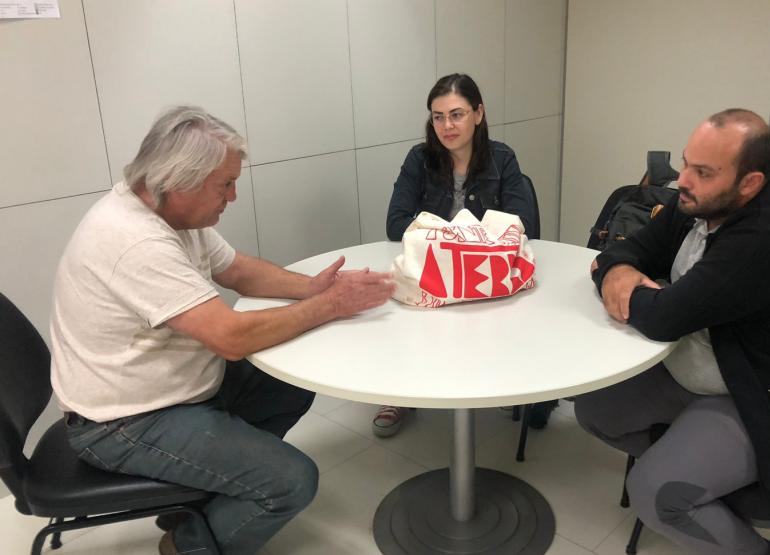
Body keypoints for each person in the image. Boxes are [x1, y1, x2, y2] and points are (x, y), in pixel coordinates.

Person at [49, 106, 395, 555]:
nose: (232, 196)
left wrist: (313, 287)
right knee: (292, 482)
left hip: (176, 387)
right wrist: (329, 306)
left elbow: (238, 271)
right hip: (123, 421)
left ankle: (197, 497)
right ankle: (187, 544)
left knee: (291, 383)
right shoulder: (135, 241)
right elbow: (231, 338)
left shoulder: (168, 211)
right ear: (179, 181)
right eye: (225, 184)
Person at [575, 109, 770, 555]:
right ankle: (698, 471)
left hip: (766, 399)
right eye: (686, 163)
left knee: (656, 493)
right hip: (708, 370)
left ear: (750, 183)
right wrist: (618, 272)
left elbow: (664, 316)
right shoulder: (698, 202)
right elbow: (626, 250)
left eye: (702, 172)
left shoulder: (764, 237)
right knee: (593, 409)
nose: (683, 179)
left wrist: (620, 277)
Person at [375, 73, 555, 437]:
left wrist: (445, 236)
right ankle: (401, 391)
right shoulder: (419, 159)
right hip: (435, 273)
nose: (447, 125)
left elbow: (522, 224)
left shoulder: (502, 158)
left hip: (483, 275)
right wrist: (463, 238)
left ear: (478, 113)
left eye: (456, 114)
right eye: (437, 117)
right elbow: (395, 223)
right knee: (403, 313)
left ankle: (496, 379)